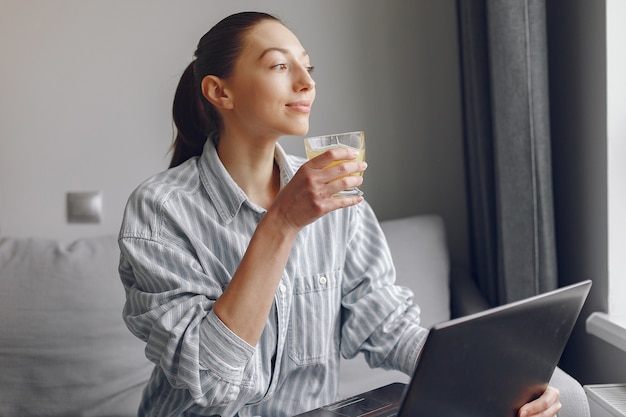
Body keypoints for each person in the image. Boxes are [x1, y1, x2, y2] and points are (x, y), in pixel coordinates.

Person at [118, 11, 562, 417]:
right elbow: (212, 380)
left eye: (307, 67)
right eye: (278, 66)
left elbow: (386, 326)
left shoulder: (334, 197)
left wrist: (497, 379)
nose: (306, 82)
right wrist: (283, 222)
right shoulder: (160, 212)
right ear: (220, 91)